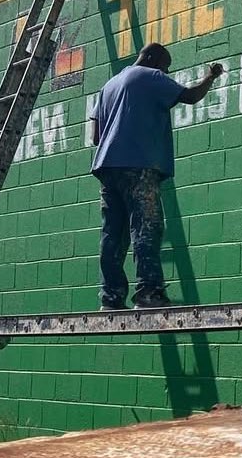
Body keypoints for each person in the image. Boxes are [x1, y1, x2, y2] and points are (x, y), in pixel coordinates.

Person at [89, 43, 224, 310]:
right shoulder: (150, 76)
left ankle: (111, 297)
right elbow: (190, 96)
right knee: (146, 227)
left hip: (107, 168)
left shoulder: (109, 86)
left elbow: (96, 137)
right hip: (138, 166)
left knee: (112, 233)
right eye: (165, 65)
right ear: (151, 58)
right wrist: (211, 76)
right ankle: (148, 292)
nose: (166, 71)